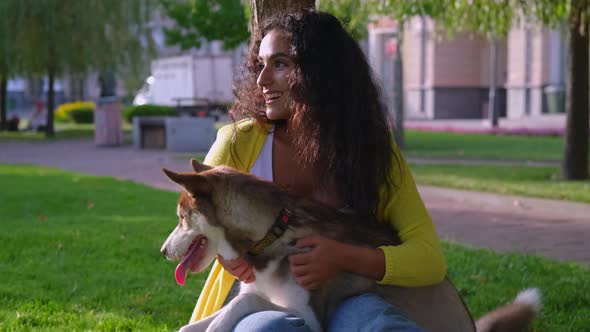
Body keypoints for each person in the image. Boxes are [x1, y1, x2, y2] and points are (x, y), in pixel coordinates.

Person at [191, 9, 446, 331]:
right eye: (261, 64)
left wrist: (342, 256)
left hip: (346, 298)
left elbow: (428, 259)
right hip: (261, 300)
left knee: (381, 327)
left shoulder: (370, 151)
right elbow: (194, 218)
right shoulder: (238, 144)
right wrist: (225, 253)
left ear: (323, 73)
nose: (262, 79)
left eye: (280, 64)